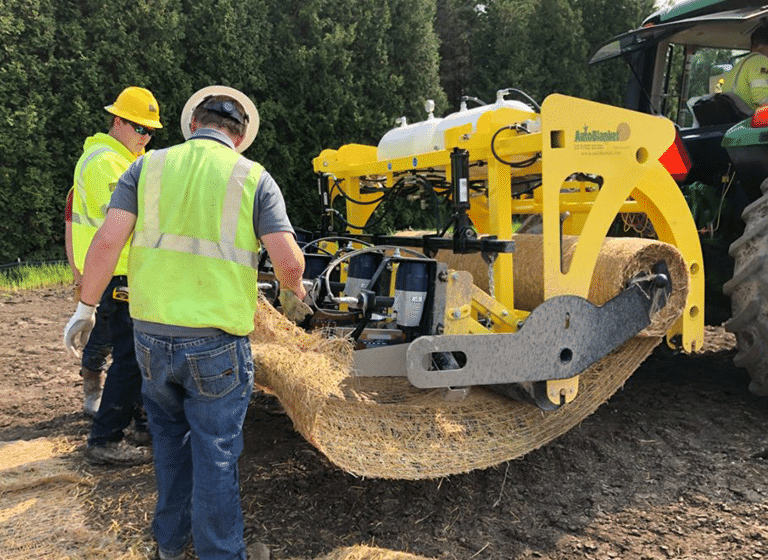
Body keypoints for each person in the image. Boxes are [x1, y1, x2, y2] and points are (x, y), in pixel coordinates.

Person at [64, 85, 311, 560]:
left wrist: (86, 308)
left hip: (152, 341)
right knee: (216, 455)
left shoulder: (145, 168)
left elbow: (106, 243)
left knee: (170, 447)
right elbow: (289, 264)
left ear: (193, 125)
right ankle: (222, 553)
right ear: (239, 138)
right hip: (217, 347)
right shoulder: (254, 178)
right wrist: (295, 289)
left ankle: (170, 547)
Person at [69, 86, 162, 465]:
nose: (144, 137)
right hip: (119, 274)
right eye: (138, 128)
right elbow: (123, 222)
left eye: (151, 131)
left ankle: (142, 424)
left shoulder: (120, 159)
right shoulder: (105, 162)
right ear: (118, 121)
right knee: (130, 360)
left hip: (120, 274)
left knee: (136, 354)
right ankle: (104, 438)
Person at [65, 187, 113, 417]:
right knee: (101, 335)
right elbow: (71, 232)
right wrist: (79, 276)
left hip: (129, 268)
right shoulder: (80, 189)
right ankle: (93, 391)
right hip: (99, 270)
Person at [722, 25, 768, 110]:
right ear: (758, 46)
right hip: (751, 119)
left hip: (736, 117)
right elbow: (762, 99)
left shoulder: (740, 64)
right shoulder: (760, 60)